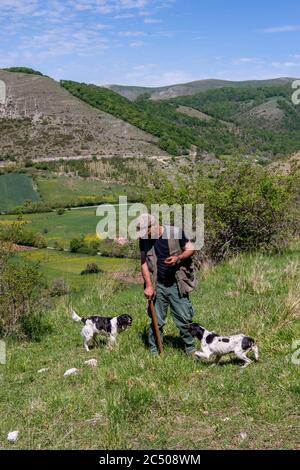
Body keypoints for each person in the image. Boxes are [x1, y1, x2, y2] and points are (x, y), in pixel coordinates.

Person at [138, 214, 197, 355]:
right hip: (158, 285)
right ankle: (155, 350)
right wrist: (148, 285)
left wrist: (178, 258)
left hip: (177, 284)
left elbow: (191, 248)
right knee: (156, 321)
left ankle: (190, 350)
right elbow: (144, 263)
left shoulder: (175, 232)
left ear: (154, 226)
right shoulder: (144, 240)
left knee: (184, 319)